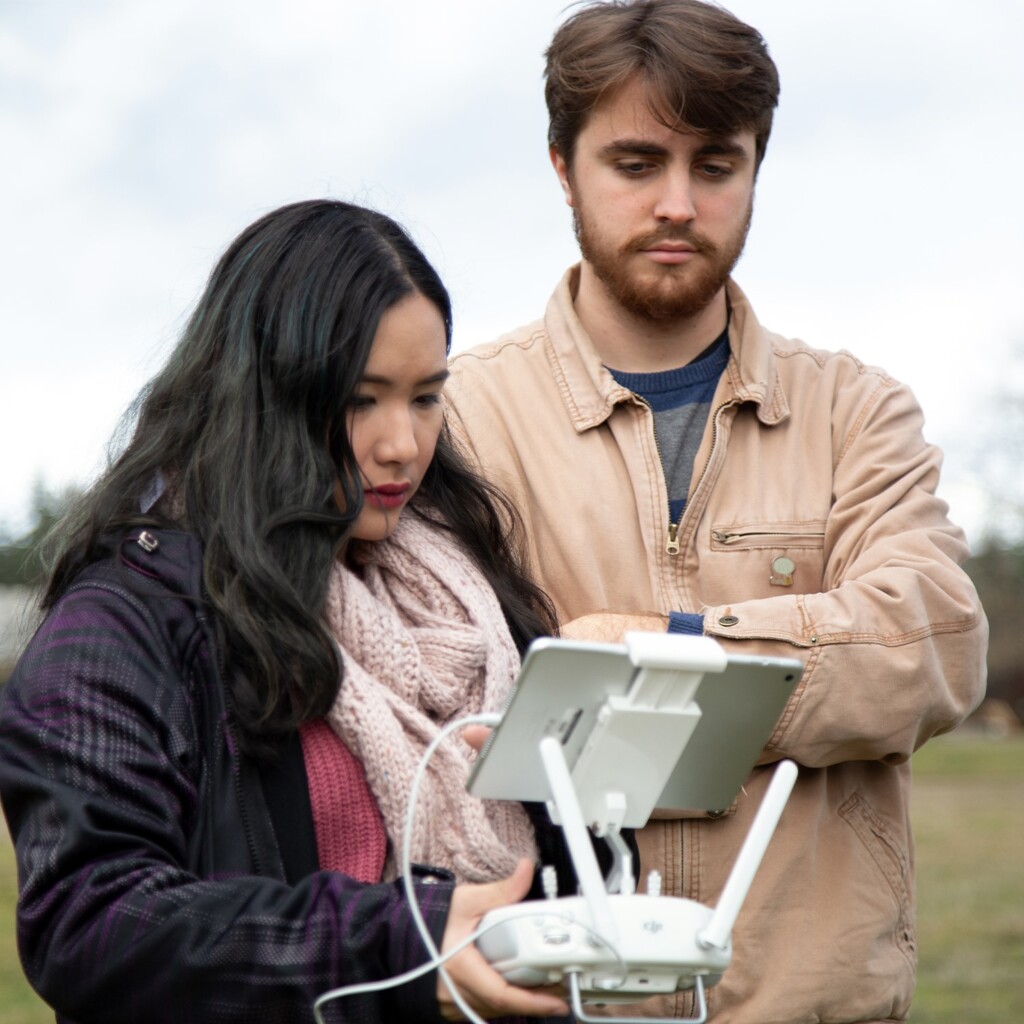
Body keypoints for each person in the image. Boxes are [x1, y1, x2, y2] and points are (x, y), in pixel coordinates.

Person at [444, 2, 989, 1021]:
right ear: (561, 166)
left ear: (756, 168)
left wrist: (669, 645)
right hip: (553, 999)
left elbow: (933, 642)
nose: (678, 204)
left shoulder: (855, 411)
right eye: (636, 163)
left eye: (716, 164)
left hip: (809, 1001)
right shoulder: (458, 419)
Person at [0, 199, 576, 1024]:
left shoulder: (475, 596)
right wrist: (399, 946)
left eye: (424, 398)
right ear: (266, 396)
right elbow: (89, 925)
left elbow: (555, 878)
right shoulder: (128, 623)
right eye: (360, 399)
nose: (402, 445)